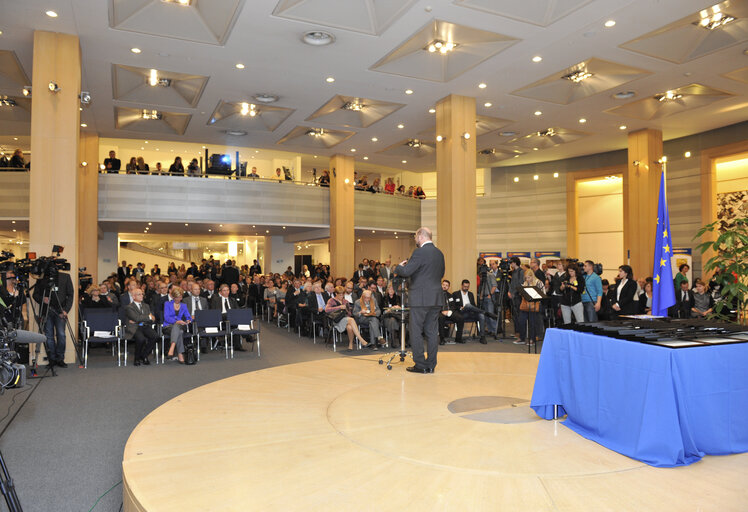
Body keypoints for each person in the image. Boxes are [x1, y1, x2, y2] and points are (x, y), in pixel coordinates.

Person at [394, 227, 445, 373]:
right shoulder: (439, 253)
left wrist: (398, 267)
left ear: (421, 237)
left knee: (415, 331)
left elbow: (406, 271)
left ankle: (420, 365)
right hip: (435, 298)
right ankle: (431, 365)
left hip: (420, 299)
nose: (415, 240)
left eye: (415, 237)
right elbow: (441, 273)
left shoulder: (419, 252)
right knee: (431, 332)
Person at [33, 269, 75, 368]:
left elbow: (70, 294)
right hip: (46, 311)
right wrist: (42, 299)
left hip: (61, 311)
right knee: (48, 336)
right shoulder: (42, 278)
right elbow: (35, 294)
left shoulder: (65, 277)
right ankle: (51, 359)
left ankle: (60, 358)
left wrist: (66, 310)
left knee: (61, 335)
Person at [325, 286, 370, 351]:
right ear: (336, 294)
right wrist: (339, 307)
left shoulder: (346, 301)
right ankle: (361, 340)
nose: (341, 296)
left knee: (350, 327)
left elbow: (349, 314)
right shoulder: (331, 300)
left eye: (343, 294)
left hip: (346, 319)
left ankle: (350, 344)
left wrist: (346, 310)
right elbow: (327, 310)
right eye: (340, 295)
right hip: (336, 320)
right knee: (351, 319)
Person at [124, 288, 158, 366]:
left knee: (155, 336)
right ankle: (137, 358)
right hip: (135, 327)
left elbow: (152, 319)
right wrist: (148, 317)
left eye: (142, 294)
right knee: (141, 339)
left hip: (145, 326)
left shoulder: (146, 306)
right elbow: (136, 318)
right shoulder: (129, 307)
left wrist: (145, 318)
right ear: (133, 296)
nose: (142, 296)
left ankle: (144, 355)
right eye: (139, 294)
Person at [515, 269, 545, 346]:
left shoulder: (539, 282)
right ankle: (522, 338)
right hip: (525, 305)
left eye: (528, 277)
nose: (527, 279)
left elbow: (543, 294)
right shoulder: (525, 283)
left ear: (532, 276)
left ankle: (532, 339)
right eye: (526, 278)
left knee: (532, 322)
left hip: (534, 305)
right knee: (521, 321)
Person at [163, 286, 192, 363]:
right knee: (180, 332)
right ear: (173, 297)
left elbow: (188, 316)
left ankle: (172, 347)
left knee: (178, 327)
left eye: (180, 297)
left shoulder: (183, 305)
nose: (179, 299)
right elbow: (166, 317)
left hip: (181, 325)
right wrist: (177, 321)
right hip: (168, 326)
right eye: (177, 297)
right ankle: (180, 353)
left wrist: (188, 320)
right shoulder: (167, 304)